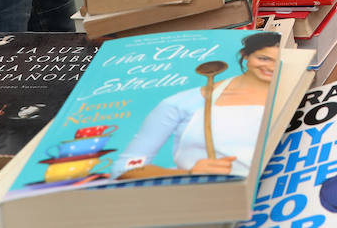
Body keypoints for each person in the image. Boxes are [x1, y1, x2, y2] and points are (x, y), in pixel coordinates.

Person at [114, 32, 281, 180]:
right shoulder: (182, 102)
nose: (271, 67)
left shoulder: (294, 93)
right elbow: (125, 168)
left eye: (278, 60)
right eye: (263, 58)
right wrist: (190, 174)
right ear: (245, 56)